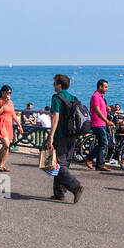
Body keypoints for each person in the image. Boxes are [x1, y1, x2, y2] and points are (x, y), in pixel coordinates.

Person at [43, 74, 85, 203]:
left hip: (60, 135)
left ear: (59, 85)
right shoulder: (73, 98)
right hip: (72, 135)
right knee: (64, 163)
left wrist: (51, 136)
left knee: (57, 164)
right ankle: (59, 193)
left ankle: (75, 186)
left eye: (55, 83)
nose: (53, 85)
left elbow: (55, 117)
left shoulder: (57, 97)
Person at [0, 85, 19, 173]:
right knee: (6, 144)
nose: (8, 94)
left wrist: (19, 125)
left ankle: (1, 164)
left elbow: (13, 114)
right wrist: (5, 104)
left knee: (6, 146)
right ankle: (0, 165)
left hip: (9, 125)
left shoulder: (11, 102)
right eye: (7, 92)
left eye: (10, 93)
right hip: (0, 124)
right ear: (2, 92)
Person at [85, 79, 111, 172]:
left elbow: (101, 109)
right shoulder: (95, 96)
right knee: (104, 143)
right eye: (105, 87)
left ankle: (100, 165)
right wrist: (107, 120)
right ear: (100, 86)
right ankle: (88, 158)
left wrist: (107, 109)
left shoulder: (101, 97)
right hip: (97, 123)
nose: (107, 89)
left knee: (101, 143)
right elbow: (97, 110)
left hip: (102, 123)